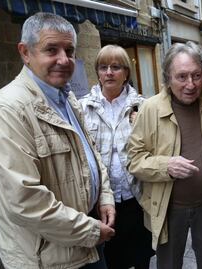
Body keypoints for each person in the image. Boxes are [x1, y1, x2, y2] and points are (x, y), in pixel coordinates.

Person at [0, 12, 116, 269]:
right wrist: (91, 231)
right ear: (25, 52)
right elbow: (25, 200)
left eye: (69, 50)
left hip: (87, 240)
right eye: (51, 49)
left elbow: (91, 154)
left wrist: (105, 197)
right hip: (49, 258)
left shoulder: (66, 98)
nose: (64, 60)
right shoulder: (7, 110)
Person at [127, 41, 202, 269]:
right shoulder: (150, 108)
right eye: (182, 76)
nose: (191, 84)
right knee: (168, 265)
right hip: (167, 208)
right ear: (167, 78)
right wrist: (166, 166)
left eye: (197, 75)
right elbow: (134, 160)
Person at [80, 45, 154, 269]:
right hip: (101, 202)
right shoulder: (82, 108)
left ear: (126, 74)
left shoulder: (143, 107)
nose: (109, 72)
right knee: (111, 259)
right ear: (98, 73)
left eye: (115, 67)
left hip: (137, 198)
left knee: (141, 256)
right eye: (103, 67)